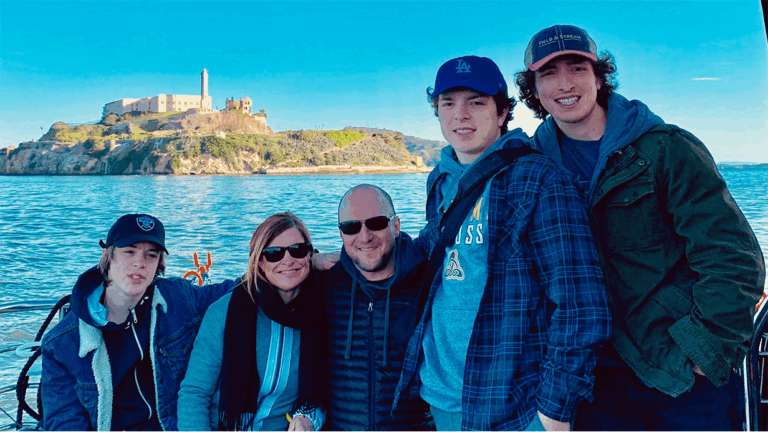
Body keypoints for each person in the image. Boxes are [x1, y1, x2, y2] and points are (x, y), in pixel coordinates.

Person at [515, 24, 766, 431]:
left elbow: (732, 256)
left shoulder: (666, 148)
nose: (565, 83)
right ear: (534, 89)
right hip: (586, 378)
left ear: (599, 76)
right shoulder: (529, 165)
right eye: (548, 73)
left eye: (577, 68)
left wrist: (705, 350)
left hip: (677, 374)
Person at [394, 55, 611, 431]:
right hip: (440, 394)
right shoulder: (442, 180)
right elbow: (435, 248)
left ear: (502, 112)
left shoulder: (538, 180)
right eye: (448, 103)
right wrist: (351, 253)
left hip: (513, 404)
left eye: (476, 102)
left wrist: (554, 414)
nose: (460, 115)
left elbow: (582, 307)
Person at [40, 213, 238, 431]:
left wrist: (275, 263)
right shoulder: (61, 344)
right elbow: (65, 424)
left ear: (159, 264)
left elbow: (238, 291)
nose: (139, 263)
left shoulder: (178, 297)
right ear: (108, 255)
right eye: (129, 252)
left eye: (151, 255)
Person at [178, 212, 325, 431]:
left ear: (310, 255)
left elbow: (321, 395)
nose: (288, 260)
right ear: (259, 261)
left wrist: (308, 418)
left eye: (298, 250)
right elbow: (194, 394)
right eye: (274, 253)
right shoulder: (225, 312)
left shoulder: (320, 311)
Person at [318, 184, 434, 431]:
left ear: (396, 226)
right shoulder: (325, 285)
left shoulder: (430, 283)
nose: (364, 236)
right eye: (351, 227)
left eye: (377, 223)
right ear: (341, 234)